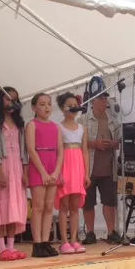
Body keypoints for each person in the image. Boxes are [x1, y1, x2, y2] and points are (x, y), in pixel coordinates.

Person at [0, 87, 28, 261]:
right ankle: (1, 248)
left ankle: (11, 247)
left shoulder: (20, 123)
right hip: (3, 165)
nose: (11, 103)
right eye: (8, 99)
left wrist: (25, 171)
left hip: (17, 166)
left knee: (14, 206)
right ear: (0, 100)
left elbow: (24, 149)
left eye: (14, 100)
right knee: (1, 207)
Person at [80, 91, 122, 244]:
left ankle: (111, 232)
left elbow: (120, 141)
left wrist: (113, 144)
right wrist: (94, 143)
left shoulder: (113, 120)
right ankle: (90, 233)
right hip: (88, 168)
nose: (105, 101)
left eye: (105, 98)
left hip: (108, 168)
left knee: (110, 202)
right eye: (101, 98)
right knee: (88, 202)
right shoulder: (83, 119)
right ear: (93, 101)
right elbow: (76, 143)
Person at [26, 93, 64, 258]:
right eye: (42, 104)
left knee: (49, 207)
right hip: (38, 167)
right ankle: (37, 243)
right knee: (38, 207)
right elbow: (31, 149)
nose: (46, 107)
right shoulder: (32, 125)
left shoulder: (56, 127)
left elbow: (61, 152)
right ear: (34, 107)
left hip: (52, 165)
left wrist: (55, 172)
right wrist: (42, 172)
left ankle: (45, 241)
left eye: (49, 104)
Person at [55, 92, 90, 254]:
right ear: (62, 109)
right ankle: (64, 241)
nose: (73, 107)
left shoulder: (83, 128)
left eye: (75, 104)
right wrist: (58, 173)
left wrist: (86, 173)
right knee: (64, 205)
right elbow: (58, 152)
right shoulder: (58, 127)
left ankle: (75, 239)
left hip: (78, 168)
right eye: (69, 105)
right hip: (65, 167)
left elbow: (85, 152)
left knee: (75, 206)